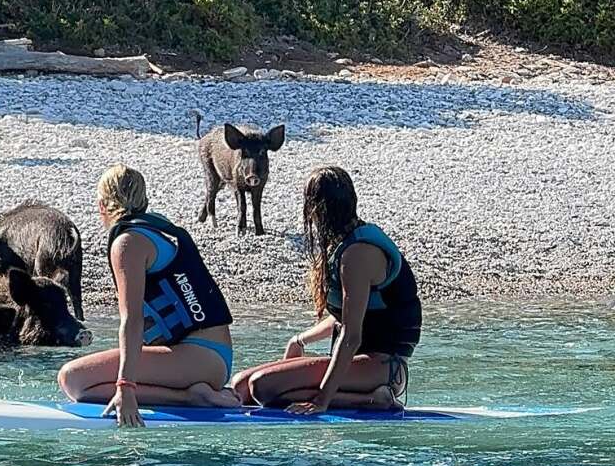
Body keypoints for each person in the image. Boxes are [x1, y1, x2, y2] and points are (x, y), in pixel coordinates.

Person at [58, 164, 239, 427]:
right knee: (84, 378)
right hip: (211, 358)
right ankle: (192, 391)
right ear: (144, 201)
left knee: (73, 380)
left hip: (199, 358)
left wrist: (125, 386)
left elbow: (132, 320)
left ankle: (190, 397)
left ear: (102, 206)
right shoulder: (155, 232)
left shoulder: (128, 243)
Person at [231, 166, 422, 414]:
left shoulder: (357, 254)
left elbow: (351, 336)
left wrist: (322, 400)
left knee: (263, 388)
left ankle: (373, 400)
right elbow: (344, 315)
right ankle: (357, 395)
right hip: (358, 365)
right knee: (241, 387)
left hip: (383, 367)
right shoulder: (343, 244)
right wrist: (299, 340)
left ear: (317, 208)